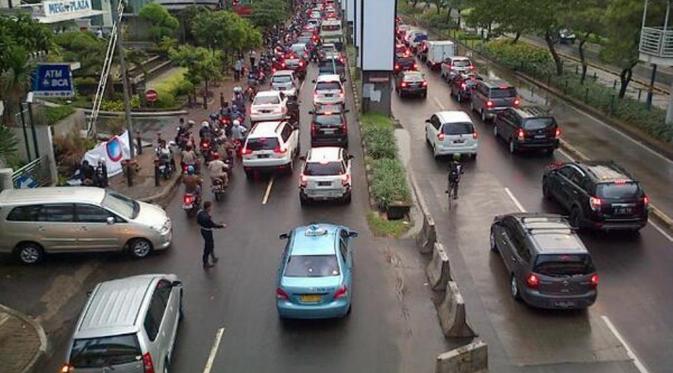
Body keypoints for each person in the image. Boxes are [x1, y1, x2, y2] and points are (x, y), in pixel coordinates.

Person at [197, 201, 226, 269]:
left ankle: (213, 257)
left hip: (203, 230)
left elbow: (198, 221)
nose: (212, 207)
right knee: (207, 247)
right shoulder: (207, 217)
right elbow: (213, 225)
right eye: (211, 206)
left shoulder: (200, 212)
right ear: (208, 208)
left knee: (211, 244)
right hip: (207, 232)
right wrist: (222, 226)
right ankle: (205, 263)